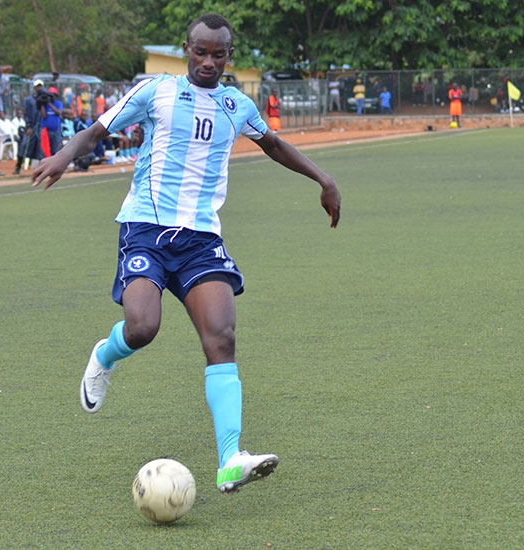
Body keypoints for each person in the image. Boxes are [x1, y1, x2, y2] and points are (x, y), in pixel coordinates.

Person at [31, 12, 341, 495]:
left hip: (200, 239)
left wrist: (324, 179)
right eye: (200, 52)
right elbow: (97, 130)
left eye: (218, 54)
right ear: (186, 49)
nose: (208, 61)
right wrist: (62, 157)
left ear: (228, 57)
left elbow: (273, 144)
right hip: (146, 229)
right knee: (143, 327)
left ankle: (230, 459)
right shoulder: (156, 91)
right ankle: (105, 355)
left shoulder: (237, 104)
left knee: (222, 336)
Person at [13, 80, 45, 175]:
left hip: (41, 127)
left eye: (40, 86)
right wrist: (29, 126)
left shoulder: (44, 99)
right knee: (25, 145)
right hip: (32, 126)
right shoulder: (29, 100)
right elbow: (26, 114)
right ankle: (18, 166)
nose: (39, 88)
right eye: (37, 86)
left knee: (41, 148)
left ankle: (40, 168)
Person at [39, 87, 64, 157]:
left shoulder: (58, 103)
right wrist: (42, 103)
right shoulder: (44, 104)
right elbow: (43, 115)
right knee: (44, 150)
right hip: (45, 131)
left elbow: (59, 112)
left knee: (55, 150)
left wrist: (50, 104)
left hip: (55, 130)